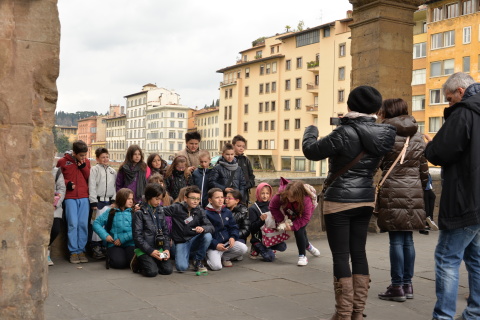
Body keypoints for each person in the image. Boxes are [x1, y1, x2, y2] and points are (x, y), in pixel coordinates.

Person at [302, 86, 396, 319]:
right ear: (376, 108)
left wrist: (310, 130)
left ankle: (343, 313)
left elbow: (311, 151)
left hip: (340, 202)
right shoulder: (384, 133)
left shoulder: (344, 132)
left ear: (350, 107)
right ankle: (357, 311)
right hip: (365, 199)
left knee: (341, 256)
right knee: (359, 253)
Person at [424, 72, 480, 320]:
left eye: (448, 99)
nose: (448, 104)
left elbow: (440, 152)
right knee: (475, 258)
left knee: (447, 258)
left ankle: (443, 316)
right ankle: (475, 312)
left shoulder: (464, 113)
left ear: (460, 91)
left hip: (465, 198)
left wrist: (430, 146)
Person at [374, 98, 429, 302]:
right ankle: (408, 284)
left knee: (396, 240)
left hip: (392, 190)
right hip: (414, 190)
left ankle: (396, 286)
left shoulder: (385, 133)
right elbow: (423, 167)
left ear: (387, 112)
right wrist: (421, 188)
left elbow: (376, 162)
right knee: (408, 239)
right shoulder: (416, 134)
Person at [269, 179, 320, 266]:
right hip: (290, 213)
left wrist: (293, 226)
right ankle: (308, 246)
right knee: (301, 233)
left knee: (299, 230)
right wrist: (282, 220)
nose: (289, 198)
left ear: (299, 195)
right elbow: (273, 206)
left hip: (303, 215)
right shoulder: (282, 195)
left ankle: (302, 256)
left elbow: (305, 218)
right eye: (288, 195)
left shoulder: (306, 199)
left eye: (292, 197)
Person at [163, 186, 213, 273]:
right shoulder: (177, 207)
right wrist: (141, 207)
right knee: (181, 267)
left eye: (198, 199)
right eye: (193, 198)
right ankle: (187, 255)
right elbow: (160, 210)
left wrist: (203, 228)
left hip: (193, 240)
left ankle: (198, 260)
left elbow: (211, 227)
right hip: (181, 241)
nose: (195, 201)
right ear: (185, 198)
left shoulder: (199, 210)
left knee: (208, 236)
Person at [56, 141, 91, 264]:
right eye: (81, 155)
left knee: (83, 224)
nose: (83, 157)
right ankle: (73, 252)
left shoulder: (86, 162)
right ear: (74, 153)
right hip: (70, 197)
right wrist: (67, 183)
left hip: (84, 196)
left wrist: (84, 168)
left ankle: (81, 250)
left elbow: (89, 178)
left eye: (85, 155)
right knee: (73, 224)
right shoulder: (62, 162)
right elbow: (57, 178)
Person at [131, 183, 173, 277]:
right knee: (152, 272)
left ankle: (153, 261)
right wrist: (150, 251)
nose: (159, 202)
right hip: (145, 249)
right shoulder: (139, 213)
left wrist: (166, 249)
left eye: (160, 199)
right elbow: (137, 237)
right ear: (149, 197)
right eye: (156, 199)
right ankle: (139, 262)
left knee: (168, 270)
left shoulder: (160, 211)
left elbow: (166, 233)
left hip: (159, 247)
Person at [205, 188, 248, 270]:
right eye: (217, 197)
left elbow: (233, 227)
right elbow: (206, 234)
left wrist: (233, 237)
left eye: (222, 197)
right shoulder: (205, 214)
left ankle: (223, 256)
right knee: (216, 267)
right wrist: (215, 245)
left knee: (243, 248)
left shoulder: (227, 211)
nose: (221, 199)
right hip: (214, 246)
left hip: (226, 243)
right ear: (210, 200)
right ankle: (207, 257)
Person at [93, 188, 135, 269]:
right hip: (114, 244)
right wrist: (106, 236)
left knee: (132, 262)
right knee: (119, 263)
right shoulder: (111, 212)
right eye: (128, 199)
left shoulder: (134, 213)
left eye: (132, 199)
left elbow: (138, 230)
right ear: (121, 199)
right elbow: (96, 223)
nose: (131, 201)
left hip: (130, 243)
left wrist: (122, 239)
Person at [88, 147, 117, 259]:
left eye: (107, 157)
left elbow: (114, 187)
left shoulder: (112, 171)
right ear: (97, 159)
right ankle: (95, 246)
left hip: (108, 202)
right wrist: (93, 202)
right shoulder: (94, 170)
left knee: (107, 225)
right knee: (96, 225)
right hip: (98, 202)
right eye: (102, 157)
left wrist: (114, 200)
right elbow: (92, 186)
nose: (105, 159)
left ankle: (105, 246)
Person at [248, 182, 286, 261]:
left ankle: (268, 247)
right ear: (258, 193)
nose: (265, 196)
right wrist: (261, 220)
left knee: (283, 246)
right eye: (262, 193)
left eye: (267, 193)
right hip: (259, 238)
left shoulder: (272, 206)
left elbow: (277, 222)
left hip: (270, 236)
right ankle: (256, 248)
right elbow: (252, 228)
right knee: (270, 257)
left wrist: (276, 219)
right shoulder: (253, 208)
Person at [49, 165, 66, 266]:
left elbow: (61, 189)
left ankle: (46, 249)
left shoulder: (57, 171)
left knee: (55, 229)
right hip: (40, 206)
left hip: (55, 205)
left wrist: (56, 203)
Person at [232, 135, 255, 204]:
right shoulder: (228, 159)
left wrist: (248, 185)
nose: (241, 148)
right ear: (233, 146)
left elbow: (251, 176)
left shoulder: (246, 160)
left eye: (243, 146)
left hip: (244, 194)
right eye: (239, 146)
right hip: (231, 193)